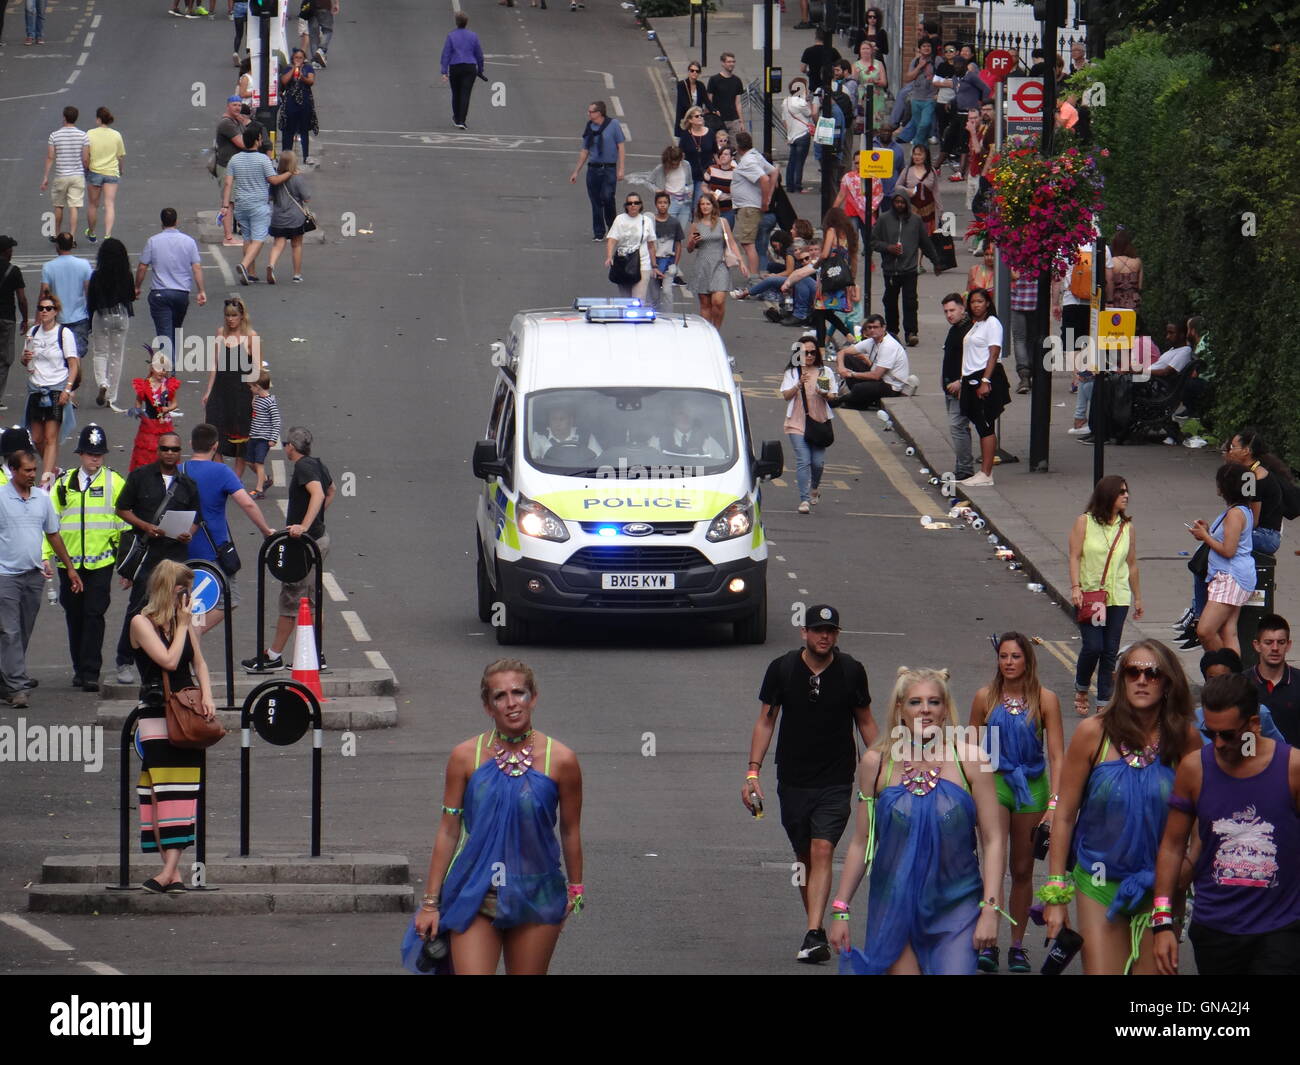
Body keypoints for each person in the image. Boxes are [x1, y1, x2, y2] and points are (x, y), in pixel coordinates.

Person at [413, 660, 584, 974]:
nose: (511, 703)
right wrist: (430, 902)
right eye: (500, 696)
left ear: (533, 697)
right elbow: (449, 830)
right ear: (487, 707)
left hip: (536, 892)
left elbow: (571, 830)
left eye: (518, 693)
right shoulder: (465, 756)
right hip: (475, 891)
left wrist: (575, 888)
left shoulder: (562, 760)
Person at [830, 667, 1004, 974]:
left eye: (934, 702)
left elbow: (993, 840)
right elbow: (861, 841)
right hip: (895, 905)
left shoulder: (972, 760)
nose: (925, 709)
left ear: (945, 708)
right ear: (899, 708)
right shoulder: (876, 763)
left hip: (957, 905)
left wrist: (991, 908)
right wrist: (841, 909)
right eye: (915, 702)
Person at [1043, 640, 1199, 974]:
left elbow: (1203, 817)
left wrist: (1186, 868)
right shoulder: (1092, 733)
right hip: (1098, 881)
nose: (1142, 680)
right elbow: (1065, 815)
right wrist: (1056, 892)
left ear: (1168, 682)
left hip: (1161, 885)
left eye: (1152, 673)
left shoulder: (1185, 739)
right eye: (1133, 671)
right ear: (1121, 679)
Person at [746, 605, 874, 962]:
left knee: (822, 850)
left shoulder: (851, 671)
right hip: (792, 778)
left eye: (831, 631)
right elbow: (765, 722)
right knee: (803, 854)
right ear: (804, 633)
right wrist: (752, 772)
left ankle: (815, 931)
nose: (825, 636)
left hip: (836, 778)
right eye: (818, 630)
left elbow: (865, 723)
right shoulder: (783, 669)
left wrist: (885, 766)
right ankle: (813, 928)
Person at [1154, 673, 1300, 975]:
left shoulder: (1292, 768)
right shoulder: (1194, 769)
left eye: (1229, 735)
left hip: (1281, 929)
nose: (1218, 744)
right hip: (1214, 930)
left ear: (1254, 725)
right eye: (1211, 732)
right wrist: (1163, 921)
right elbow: (1171, 846)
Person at [969, 634, 1065, 971]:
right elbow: (970, 749)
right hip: (995, 784)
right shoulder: (984, 697)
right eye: (1004, 656)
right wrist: (969, 791)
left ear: (1027, 661)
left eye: (1015, 656)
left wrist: (1054, 803)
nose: (1009, 662)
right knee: (992, 865)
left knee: (1022, 870)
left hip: (1033, 787)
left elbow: (1056, 755)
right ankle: (988, 942)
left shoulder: (1045, 699)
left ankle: (1017, 946)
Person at [130, 560, 218, 893]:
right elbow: (166, 660)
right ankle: (170, 871)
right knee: (158, 791)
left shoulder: (183, 623)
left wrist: (207, 695)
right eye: (186, 591)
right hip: (156, 712)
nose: (191, 598)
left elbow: (199, 662)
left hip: (188, 713)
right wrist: (181, 626)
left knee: (182, 792)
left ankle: (171, 872)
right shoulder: (141, 622)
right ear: (172, 590)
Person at [243, 426, 334, 673]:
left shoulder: (304, 467)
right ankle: (317, 652)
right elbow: (330, 490)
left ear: (290, 447)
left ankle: (273, 655)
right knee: (313, 601)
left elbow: (317, 493)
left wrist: (304, 525)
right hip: (319, 539)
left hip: (303, 545)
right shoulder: (317, 463)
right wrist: (316, 521)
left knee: (291, 598)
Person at [113, 431, 198, 689]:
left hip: (176, 556)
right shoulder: (140, 477)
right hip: (148, 555)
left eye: (174, 449)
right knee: (139, 606)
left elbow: (197, 519)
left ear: (180, 452)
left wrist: (188, 534)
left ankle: (177, 661)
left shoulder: (188, 484)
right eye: (165, 449)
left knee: (178, 608)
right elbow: (122, 508)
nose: (170, 453)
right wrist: (146, 526)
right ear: (158, 451)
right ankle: (124, 660)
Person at [0, 447, 83, 707]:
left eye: (34, 469)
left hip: (33, 576)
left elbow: (53, 534)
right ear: (13, 471)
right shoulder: (1, 497)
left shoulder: (41, 498)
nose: (32, 475)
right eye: (27, 470)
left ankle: (6, 679)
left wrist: (69, 568)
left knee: (22, 630)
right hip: (5, 576)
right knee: (10, 631)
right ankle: (17, 687)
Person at [45, 424, 124, 692]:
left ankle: (91, 671)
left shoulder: (114, 482)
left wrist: (122, 560)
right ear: (80, 454)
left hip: (100, 561)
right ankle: (79, 668)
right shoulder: (63, 483)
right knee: (74, 614)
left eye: (99, 454)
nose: (95, 459)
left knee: (94, 614)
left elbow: (124, 523)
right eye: (90, 454)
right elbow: (49, 523)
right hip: (68, 564)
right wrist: (47, 556)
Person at [183, 422, 275, 634]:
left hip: (183, 549)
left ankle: (186, 641)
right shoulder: (222, 471)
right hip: (213, 552)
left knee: (186, 603)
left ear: (191, 444)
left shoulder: (180, 470)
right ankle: (189, 635)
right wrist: (265, 530)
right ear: (215, 446)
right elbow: (248, 503)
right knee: (227, 599)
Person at [1068, 475, 1143, 717]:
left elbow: (1131, 564)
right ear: (1108, 495)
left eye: (1127, 491)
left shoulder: (1127, 528)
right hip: (1091, 595)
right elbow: (1075, 556)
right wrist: (1076, 587)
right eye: (1121, 492)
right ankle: (1081, 687)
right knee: (1093, 646)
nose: (1126, 496)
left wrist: (1138, 597)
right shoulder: (1084, 522)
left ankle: (1103, 702)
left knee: (1110, 650)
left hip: (1118, 597)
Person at [1191, 463, 1256, 655]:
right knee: (1228, 632)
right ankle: (1233, 680)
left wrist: (1205, 537)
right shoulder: (1241, 509)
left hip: (1230, 577)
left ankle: (1224, 671)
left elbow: (1229, 550)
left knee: (1205, 630)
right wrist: (1208, 531)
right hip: (1234, 576)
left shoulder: (1235, 513)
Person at [223, 124, 294, 286]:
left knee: (247, 237)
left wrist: (226, 205)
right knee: (259, 238)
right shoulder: (263, 159)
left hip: (241, 204)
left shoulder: (235, 159)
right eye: (261, 138)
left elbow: (228, 184)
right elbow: (273, 180)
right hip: (258, 205)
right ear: (257, 140)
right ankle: (244, 265)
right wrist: (289, 172)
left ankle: (251, 273)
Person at [871, 192, 942, 346]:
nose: (899, 205)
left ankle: (911, 332)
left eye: (902, 202)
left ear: (907, 204)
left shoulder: (916, 221)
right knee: (890, 301)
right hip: (890, 269)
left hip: (909, 269)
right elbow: (873, 242)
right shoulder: (884, 219)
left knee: (910, 302)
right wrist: (888, 248)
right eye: (897, 202)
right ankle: (892, 331)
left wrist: (936, 261)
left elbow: (925, 243)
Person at [21, 292, 79, 478]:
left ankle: (46, 478)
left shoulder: (64, 333)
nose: (44, 311)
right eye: (41, 308)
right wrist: (25, 358)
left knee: (50, 437)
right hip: (36, 388)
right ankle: (53, 470)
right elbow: (25, 361)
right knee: (36, 438)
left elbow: (73, 364)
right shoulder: (33, 332)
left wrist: (67, 389)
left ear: (56, 312)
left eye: (49, 308)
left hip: (56, 387)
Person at [135, 208, 206, 358]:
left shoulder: (153, 241)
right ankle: (171, 367)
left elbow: (142, 266)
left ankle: (169, 371)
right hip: (181, 293)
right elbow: (196, 267)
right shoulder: (188, 241)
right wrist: (201, 290)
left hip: (160, 293)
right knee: (175, 330)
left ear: (162, 222)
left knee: (165, 334)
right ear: (176, 221)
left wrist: (137, 287)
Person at [779, 337, 839, 514]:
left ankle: (814, 488)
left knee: (818, 463)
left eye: (813, 352)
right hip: (796, 422)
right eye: (806, 352)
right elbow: (786, 396)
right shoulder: (792, 372)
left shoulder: (824, 371)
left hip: (819, 422)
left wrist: (824, 393)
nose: (810, 355)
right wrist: (798, 385)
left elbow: (833, 396)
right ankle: (804, 500)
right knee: (803, 460)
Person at [955, 288, 1008, 487]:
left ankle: (986, 474)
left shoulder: (993, 323)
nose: (976, 305)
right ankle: (982, 472)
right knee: (978, 422)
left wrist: (986, 381)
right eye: (973, 302)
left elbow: (994, 353)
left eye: (980, 301)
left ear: (987, 303)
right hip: (970, 378)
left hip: (984, 376)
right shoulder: (975, 325)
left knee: (986, 425)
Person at [204, 296, 262, 473]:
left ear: (242, 316)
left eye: (234, 315)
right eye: (228, 315)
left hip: (242, 393)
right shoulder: (221, 333)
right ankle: (225, 476)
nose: (230, 319)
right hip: (220, 390)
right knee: (214, 432)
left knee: (241, 439)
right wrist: (208, 391)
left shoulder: (251, 337)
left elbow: (257, 369)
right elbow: (215, 363)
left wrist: (255, 396)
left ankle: (235, 481)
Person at [1193, 648, 1284, 743]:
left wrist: (1257, 743)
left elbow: (1280, 750)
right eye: (1212, 679)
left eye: (1224, 679)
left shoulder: (1258, 713)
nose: (1218, 684)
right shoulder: (1196, 718)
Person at [86, 238, 134, 412]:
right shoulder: (126, 275)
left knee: (100, 352)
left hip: (102, 315)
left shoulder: (97, 275)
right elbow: (131, 295)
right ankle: (111, 396)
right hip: (121, 315)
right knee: (117, 354)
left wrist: (89, 320)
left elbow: (91, 301)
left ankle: (103, 383)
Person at [684, 194, 742, 330]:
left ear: (713, 206)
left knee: (718, 301)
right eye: (702, 204)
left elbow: (731, 243)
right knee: (705, 304)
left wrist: (741, 262)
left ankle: (716, 329)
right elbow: (689, 249)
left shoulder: (723, 222)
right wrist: (693, 242)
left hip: (720, 264)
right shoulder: (696, 225)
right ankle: (707, 332)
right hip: (702, 265)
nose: (705, 207)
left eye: (708, 204)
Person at [571, 102, 626, 242]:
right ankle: (599, 232)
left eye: (591, 111)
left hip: (609, 168)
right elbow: (585, 150)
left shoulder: (613, 125)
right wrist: (576, 171)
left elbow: (621, 146)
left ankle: (613, 229)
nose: (588, 114)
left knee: (608, 198)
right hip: (593, 169)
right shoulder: (590, 126)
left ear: (599, 113)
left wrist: (621, 169)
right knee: (595, 201)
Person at [39, 232, 93, 373]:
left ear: (57, 246)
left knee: (58, 355)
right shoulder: (84, 265)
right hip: (79, 317)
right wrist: (91, 316)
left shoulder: (48, 267)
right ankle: (72, 387)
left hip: (57, 319)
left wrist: (39, 318)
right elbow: (89, 293)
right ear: (72, 245)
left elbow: (44, 293)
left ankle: (60, 385)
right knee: (75, 355)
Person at [831, 315, 910, 410]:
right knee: (847, 358)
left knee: (858, 388)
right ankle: (859, 400)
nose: (872, 330)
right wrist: (841, 368)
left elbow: (876, 375)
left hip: (891, 386)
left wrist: (851, 374)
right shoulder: (871, 341)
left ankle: (844, 400)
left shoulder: (888, 346)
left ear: (883, 328)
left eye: (875, 327)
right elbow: (842, 352)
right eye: (870, 327)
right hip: (879, 378)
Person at [810, 207, 859, 351]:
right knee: (825, 312)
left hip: (829, 277)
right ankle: (847, 334)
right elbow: (854, 258)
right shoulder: (849, 235)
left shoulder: (832, 231)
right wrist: (852, 281)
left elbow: (825, 254)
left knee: (820, 311)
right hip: (842, 278)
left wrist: (816, 264)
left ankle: (822, 348)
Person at [730, 132, 778, 277]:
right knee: (752, 244)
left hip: (748, 208)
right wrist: (768, 196)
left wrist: (765, 201)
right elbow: (774, 171)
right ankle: (754, 278)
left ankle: (753, 279)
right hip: (749, 207)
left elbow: (764, 179)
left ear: (738, 146)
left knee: (748, 244)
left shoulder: (748, 161)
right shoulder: (755, 155)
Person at [40, 107, 90, 244]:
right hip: (77, 175)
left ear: (64, 117)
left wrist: (45, 177)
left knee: (58, 205)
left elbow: (50, 157)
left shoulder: (54, 135)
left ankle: (57, 234)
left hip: (61, 175)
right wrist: (86, 171)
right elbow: (85, 159)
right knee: (74, 207)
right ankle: (71, 237)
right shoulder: (83, 135)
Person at [939, 292, 974, 481]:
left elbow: (975, 360)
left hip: (961, 388)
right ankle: (962, 465)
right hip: (950, 388)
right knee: (960, 427)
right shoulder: (955, 328)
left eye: (952, 310)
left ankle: (965, 469)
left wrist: (962, 382)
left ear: (962, 308)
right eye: (946, 311)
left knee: (957, 426)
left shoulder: (969, 330)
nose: (949, 315)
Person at [1250, 616, 1300, 745]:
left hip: (1293, 761)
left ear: (1288, 645)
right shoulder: (1242, 684)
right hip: (1253, 761)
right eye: (1268, 642)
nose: (1275, 648)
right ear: (1257, 645)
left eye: (1281, 642)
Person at [129, 351, 180, 472]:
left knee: (165, 450)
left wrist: (168, 408)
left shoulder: (168, 385)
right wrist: (138, 411)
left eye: (165, 369)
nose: (162, 372)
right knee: (147, 452)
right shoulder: (144, 385)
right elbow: (138, 401)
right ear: (152, 368)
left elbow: (174, 403)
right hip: (149, 425)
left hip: (164, 425)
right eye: (159, 368)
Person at [267, 151, 311, 284]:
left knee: (278, 244)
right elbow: (307, 198)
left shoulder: (275, 178)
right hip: (295, 218)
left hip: (278, 217)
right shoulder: (297, 178)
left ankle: (271, 265)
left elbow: (270, 197)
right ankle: (297, 274)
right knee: (296, 245)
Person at [603, 193, 656, 303]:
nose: (633, 205)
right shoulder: (620, 219)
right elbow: (612, 239)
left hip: (642, 264)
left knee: (638, 301)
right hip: (623, 263)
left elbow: (651, 245)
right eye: (630, 203)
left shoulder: (646, 221)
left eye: (636, 203)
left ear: (640, 205)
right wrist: (609, 256)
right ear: (626, 206)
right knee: (625, 300)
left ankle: (637, 319)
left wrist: (654, 265)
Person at [84, 107, 125, 245]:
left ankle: (91, 233)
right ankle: (108, 235)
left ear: (98, 119)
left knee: (93, 205)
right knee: (109, 204)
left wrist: (87, 168)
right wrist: (120, 170)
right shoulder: (117, 135)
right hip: (111, 172)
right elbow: (120, 157)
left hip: (95, 171)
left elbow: (86, 155)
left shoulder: (90, 133)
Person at [213, 97, 251, 247]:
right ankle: (228, 237)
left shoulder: (236, 121)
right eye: (234, 105)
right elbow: (243, 143)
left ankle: (232, 234)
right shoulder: (226, 123)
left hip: (235, 166)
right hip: (227, 167)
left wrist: (242, 122)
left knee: (234, 200)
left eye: (239, 105)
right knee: (228, 202)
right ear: (228, 106)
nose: (237, 108)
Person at [277, 49, 319, 164]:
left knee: (304, 129)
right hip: (291, 100)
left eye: (301, 58)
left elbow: (311, 81)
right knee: (288, 129)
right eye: (296, 57)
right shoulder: (288, 68)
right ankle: (286, 156)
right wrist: (293, 70)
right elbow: (284, 81)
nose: (298, 60)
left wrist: (302, 76)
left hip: (304, 101)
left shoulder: (308, 68)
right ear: (293, 58)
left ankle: (306, 156)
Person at [0, 236, 27, 410]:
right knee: (4, 358)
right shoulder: (13, 270)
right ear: (6, 251)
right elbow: (22, 299)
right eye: (11, 249)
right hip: (6, 318)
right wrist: (25, 318)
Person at [896, 39, 938, 146]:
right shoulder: (915, 61)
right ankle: (923, 152)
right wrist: (919, 66)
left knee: (925, 124)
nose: (926, 48)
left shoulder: (937, 60)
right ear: (919, 49)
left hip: (930, 97)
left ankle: (916, 144)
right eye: (924, 46)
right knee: (919, 125)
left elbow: (942, 77)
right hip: (916, 98)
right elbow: (908, 78)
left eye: (928, 46)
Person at [646, 145, 693, 239]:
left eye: (677, 163)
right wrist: (657, 190)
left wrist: (690, 191)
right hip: (669, 202)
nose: (675, 166)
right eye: (672, 164)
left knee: (679, 234)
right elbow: (649, 181)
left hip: (685, 202)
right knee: (668, 233)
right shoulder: (661, 168)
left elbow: (690, 182)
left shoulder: (686, 165)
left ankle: (675, 253)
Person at [897, 143, 942, 243]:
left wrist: (940, 212)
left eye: (920, 154)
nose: (917, 157)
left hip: (928, 212)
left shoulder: (931, 171)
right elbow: (897, 187)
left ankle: (918, 259)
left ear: (926, 156)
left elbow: (936, 192)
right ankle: (914, 258)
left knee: (924, 240)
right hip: (911, 211)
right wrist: (907, 190)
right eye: (915, 154)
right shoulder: (907, 170)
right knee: (912, 239)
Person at [648, 193, 684, 312]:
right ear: (656, 204)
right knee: (654, 295)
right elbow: (648, 244)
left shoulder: (674, 223)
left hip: (669, 262)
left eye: (665, 203)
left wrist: (675, 264)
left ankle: (669, 317)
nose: (662, 205)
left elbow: (678, 245)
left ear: (669, 204)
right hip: (653, 263)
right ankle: (655, 317)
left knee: (667, 292)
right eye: (660, 203)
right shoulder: (651, 222)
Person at [677, 107, 715, 215]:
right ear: (690, 120)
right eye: (697, 116)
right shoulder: (685, 135)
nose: (700, 118)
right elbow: (681, 156)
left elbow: (715, 153)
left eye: (701, 115)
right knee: (686, 206)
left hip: (703, 177)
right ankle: (690, 229)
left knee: (699, 206)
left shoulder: (710, 133)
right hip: (688, 177)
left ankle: (697, 230)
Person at [1008, 267, 1038, 394]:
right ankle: (1031, 372)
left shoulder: (1013, 250)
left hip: (1017, 300)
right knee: (1033, 338)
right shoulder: (1042, 252)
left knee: (1019, 339)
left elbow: (1013, 274)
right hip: (1037, 300)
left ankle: (1024, 376)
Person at [781, 80, 814, 195]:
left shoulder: (785, 102)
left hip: (792, 136)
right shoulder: (801, 103)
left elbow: (784, 120)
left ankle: (790, 186)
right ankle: (798, 186)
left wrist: (788, 134)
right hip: (803, 134)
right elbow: (810, 113)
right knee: (800, 162)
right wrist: (809, 101)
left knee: (792, 161)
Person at [706, 52, 745, 136]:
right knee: (720, 146)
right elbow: (709, 101)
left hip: (734, 120)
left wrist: (741, 122)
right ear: (723, 63)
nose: (732, 64)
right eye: (729, 62)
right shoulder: (714, 80)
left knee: (734, 148)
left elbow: (738, 103)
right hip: (718, 120)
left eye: (733, 62)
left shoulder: (737, 80)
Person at [853, 40, 888, 130]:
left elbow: (884, 82)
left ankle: (875, 140)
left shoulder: (878, 64)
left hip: (877, 96)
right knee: (863, 124)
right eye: (863, 48)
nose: (865, 51)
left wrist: (875, 81)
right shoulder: (855, 65)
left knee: (876, 124)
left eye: (867, 48)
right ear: (860, 51)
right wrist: (856, 75)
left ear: (872, 50)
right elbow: (853, 82)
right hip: (862, 97)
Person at [1107, 227, 1143, 312]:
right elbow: (1140, 287)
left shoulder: (1112, 262)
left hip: (1117, 302)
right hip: (1134, 302)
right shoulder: (1138, 262)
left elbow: (1109, 282)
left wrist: (1109, 300)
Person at [675, 60, 709, 129]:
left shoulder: (701, 85)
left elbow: (706, 101)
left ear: (699, 73)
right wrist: (695, 113)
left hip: (696, 120)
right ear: (688, 72)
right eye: (692, 70)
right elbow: (684, 103)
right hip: (685, 119)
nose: (694, 72)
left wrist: (714, 110)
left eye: (697, 71)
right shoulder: (681, 85)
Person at [307, 0, 338, 67]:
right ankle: (322, 49)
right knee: (327, 30)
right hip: (324, 5)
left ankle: (315, 62)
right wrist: (336, 3)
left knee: (313, 35)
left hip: (310, 7)